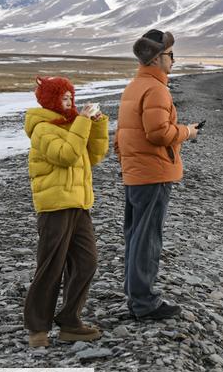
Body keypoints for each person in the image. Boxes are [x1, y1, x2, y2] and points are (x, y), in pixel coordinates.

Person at [114, 29, 199, 320]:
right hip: (153, 172)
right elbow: (158, 133)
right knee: (147, 238)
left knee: (136, 235)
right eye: (170, 55)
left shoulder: (134, 86)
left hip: (136, 171)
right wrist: (188, 131)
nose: (173, 60)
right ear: (157, 58)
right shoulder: (156, 89)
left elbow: (123, 134)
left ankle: (137, 296)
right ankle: (144, 302)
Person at [23, 76, 108, 348]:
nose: (70, 101)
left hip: (79, 204)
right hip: (55, 206)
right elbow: (67, 155)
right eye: (63, 97)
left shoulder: (71, 124)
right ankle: (38, 329)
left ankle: (70, 321)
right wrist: (82, 122)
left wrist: (96, 125)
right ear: (50, 100)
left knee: (87, 262)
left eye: (71, 96)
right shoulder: (42, 129)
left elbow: (92, 157)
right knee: (51, 267)